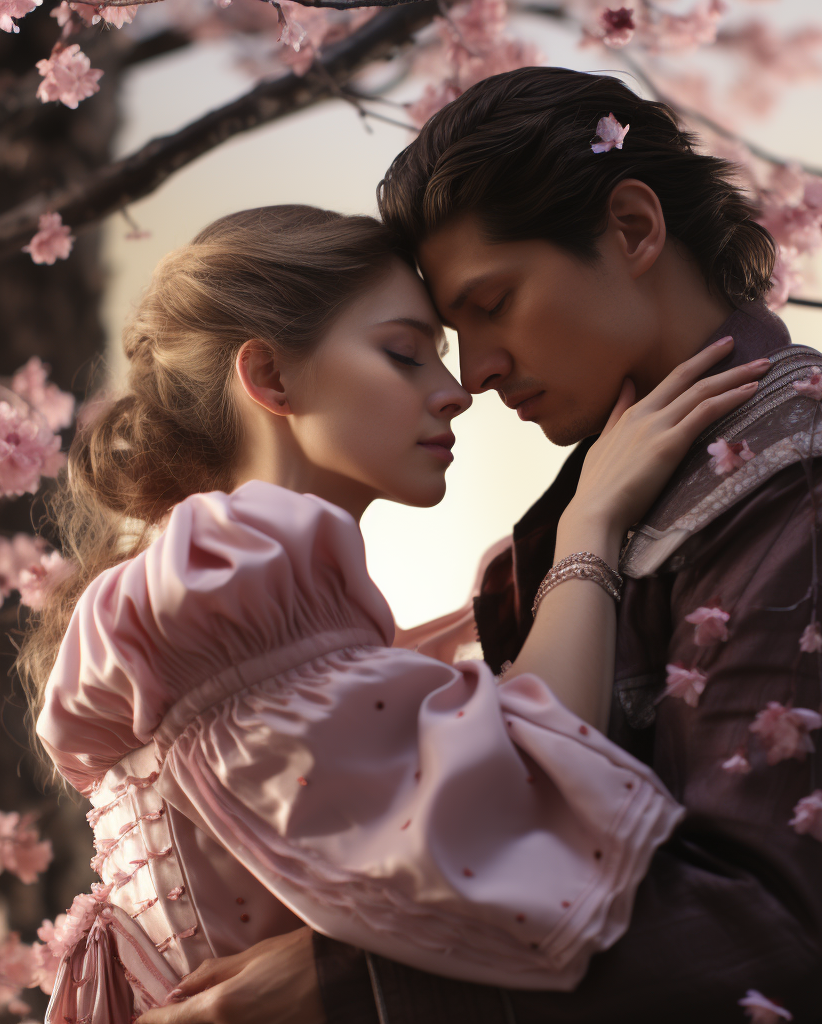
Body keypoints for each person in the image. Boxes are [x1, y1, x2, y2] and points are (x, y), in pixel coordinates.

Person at [140, 69, 822, 1024]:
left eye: (493, 303)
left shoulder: (812, 474)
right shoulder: (628, 493)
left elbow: (775, 914)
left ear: (632, 229)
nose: (478, 373)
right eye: (447, 335)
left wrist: (350, 985)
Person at [21, 205, 768, 1022]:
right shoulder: (232, 573)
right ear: (269, 377)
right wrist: (590, 528)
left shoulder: (231, 592)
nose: (456, 393)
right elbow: (517, 787)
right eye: (404, 354)